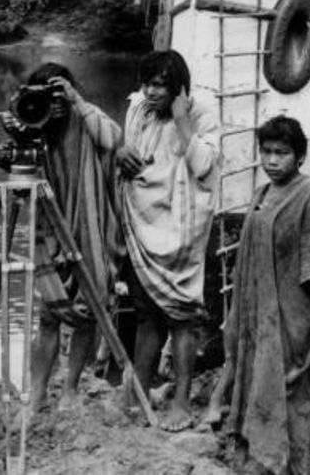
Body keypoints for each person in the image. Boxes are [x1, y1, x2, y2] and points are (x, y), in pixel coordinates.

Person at [206, 116, 310, 475]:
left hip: (294, 307)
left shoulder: (309, 191)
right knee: (257, 373)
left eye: (281, 153)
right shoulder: (262, 193)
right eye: (266, 152)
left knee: (287, 381)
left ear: (299, 157)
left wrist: (301, 309)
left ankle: (284, 458)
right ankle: (258, 448)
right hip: (258, 306)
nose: (271, 160)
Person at [0, 62, 122, 413]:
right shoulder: (34, 125)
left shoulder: (86, 118)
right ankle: (36, 394)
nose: (55, 102)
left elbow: (113, 138)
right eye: (45, 94)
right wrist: (19, 130)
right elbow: (18, 176)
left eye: (58, 91)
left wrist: (77, 100)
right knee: (48, 316)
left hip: (90, 229)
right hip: (50, 229)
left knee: (90, 312)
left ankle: (71, 388)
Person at [115, 50, 220, 430]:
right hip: (144, 225)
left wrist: (181, 121)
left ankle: (181, 401)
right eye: (148, 83)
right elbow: (132, 157)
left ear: (177, 87)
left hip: (181, 232)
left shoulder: (201, 114)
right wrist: (120, 152)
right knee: (147, 317)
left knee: (181, 320)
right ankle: (139, 394)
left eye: (160, 84)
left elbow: (204, 166)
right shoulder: (138, 112)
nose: (152, 91)